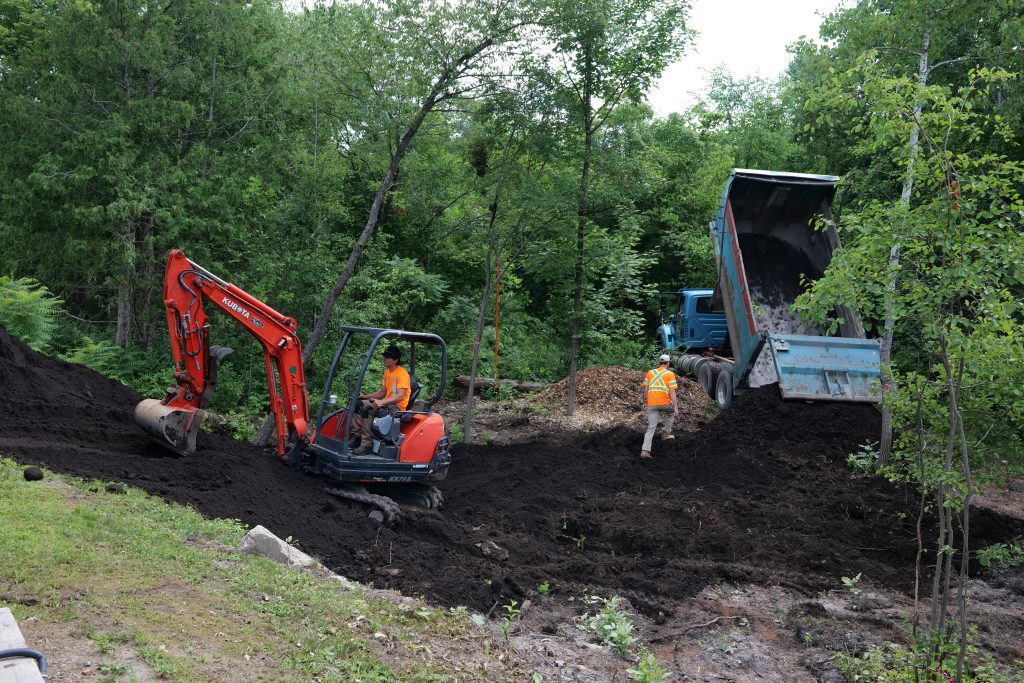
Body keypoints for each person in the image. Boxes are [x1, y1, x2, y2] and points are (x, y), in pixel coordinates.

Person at [352, 345, 411, 455]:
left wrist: (381, 402)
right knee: (358, 404)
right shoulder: (387, 372)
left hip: (397, 407)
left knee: (369, 409)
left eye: (387, 357)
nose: (384, 359)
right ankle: (357, 438)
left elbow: (399, 396)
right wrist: (363, 396)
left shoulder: (402, 374)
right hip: (387, 403)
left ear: (396, 360)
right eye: (385, 356)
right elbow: (382, 393)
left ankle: (366, 445)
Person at [640, 354, 679, 458]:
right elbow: (672, 392)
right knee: (671, 413)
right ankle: (665, 434)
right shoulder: (670, 374)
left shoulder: (650, 373)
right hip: (665, 403)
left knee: (651, 427)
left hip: (651, 404)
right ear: (668, 363)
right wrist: (675, 407)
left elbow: (646, 389)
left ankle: (645, 451)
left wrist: (648, 402)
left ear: (660, 363)